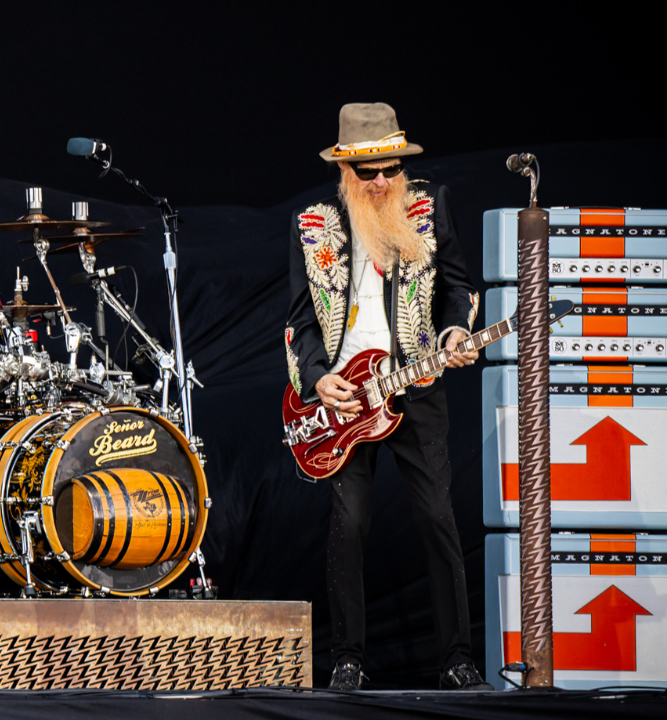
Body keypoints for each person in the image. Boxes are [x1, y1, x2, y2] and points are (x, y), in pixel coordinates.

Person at [283, 103, 491, 691]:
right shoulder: (314, 222)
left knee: (436, 518)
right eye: (370, 171)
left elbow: (457, 287)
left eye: (390, 168)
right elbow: (298, 321)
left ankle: (457, 659)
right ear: (347, 168)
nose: (382, 181)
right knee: (349, 523)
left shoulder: (427, 205)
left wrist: (454, 331)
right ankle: (347, 658)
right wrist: (318, 377)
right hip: (346, 396)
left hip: (415, 385)